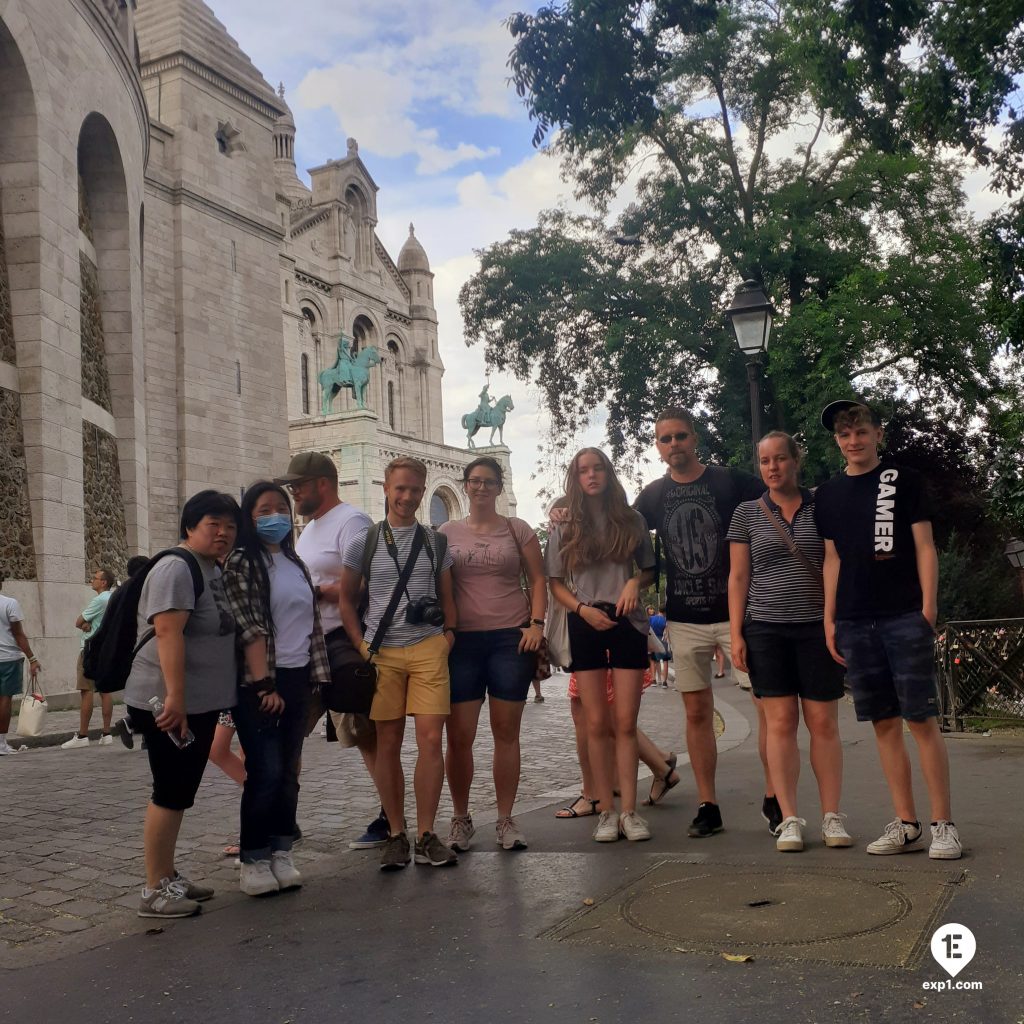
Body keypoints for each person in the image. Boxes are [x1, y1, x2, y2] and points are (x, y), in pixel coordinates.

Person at [815, 400, 961, 859]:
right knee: (883, 722)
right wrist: (829, 616)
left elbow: (924, 545)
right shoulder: (829, 494)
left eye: (860, 432)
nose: (853, 441)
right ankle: (907, 822)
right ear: (837, 441)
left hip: (903, 614)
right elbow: (832, 558)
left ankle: (944, 825)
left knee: (920, 718)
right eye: (844, 434)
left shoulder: (904, 480)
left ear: (878, 433)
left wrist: (928, 606)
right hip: (855, 618)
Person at [634, 407, 774, 838]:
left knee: (767, 707)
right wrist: (564, 513)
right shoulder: (654, 496)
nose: (673, 445)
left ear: (694, 439)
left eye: (680, 436)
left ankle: (776, 795)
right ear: (658, 448)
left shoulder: (729, 481)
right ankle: (708, 804)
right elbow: (618, 528)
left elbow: (780, 495)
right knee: (696, 713)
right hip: (685, 618)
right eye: (665, 439)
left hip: (739, 614)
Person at [728, 431, 853, 853]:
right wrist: (735, 633)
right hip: (766, 628)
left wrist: (834, 619)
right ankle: (790, 818)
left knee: (823, 724)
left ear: (795, 460)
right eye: (765, 461)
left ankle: (832, 815)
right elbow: (739, 577)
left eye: (781, 458)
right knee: (780, 724)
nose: (773, 467)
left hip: (817, 628)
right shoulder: (746, 513)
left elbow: (836, 559)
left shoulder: (823, 506)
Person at [124, 490, 240, 918]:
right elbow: (169, 633)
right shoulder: (177, 567)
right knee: (170, 791)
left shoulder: (211, 567)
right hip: (171, 703)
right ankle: (154, 889)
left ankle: (167, 875)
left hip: (197, 702)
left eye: (230, 526)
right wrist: (175, 699)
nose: (224, 532)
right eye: (214, 524)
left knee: (181, 789)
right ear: (190, 526)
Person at [339, 456, 458, 871]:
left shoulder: (435, 541)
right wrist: (360, 643)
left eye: (414, 489)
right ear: (386, 489)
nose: (406, 496)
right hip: (382, 653)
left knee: (429, 742)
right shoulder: (364, 542)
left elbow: (447, 597)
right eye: (399, 488)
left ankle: (426, 834)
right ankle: (395, 833)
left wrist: (448, 637)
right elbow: (346, 599)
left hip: (427, 648)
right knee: (387, 744)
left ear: (424, 491)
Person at [222, 481, 331, 896]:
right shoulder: (242, 562)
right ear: (250, 517)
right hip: (259, 681)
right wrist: (265, 684)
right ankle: (253, 856)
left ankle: (282, 851)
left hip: (298, 675)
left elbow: (310, 623)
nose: (275, 517)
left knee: (288, 773)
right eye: (264, 509)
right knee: (264, 772)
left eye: (280, 508)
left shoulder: (294, 561)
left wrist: (312, 680)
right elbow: (247, 624)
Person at [546, 448, 657, 843]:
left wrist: (632, 583)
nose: (591, 476)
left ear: (608, 474)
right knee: (595, 722)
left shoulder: (632, 520)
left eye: (597, 469)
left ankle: (629, 810)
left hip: (627, 621)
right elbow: (555, 582)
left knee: (624, 723)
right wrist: (581, 610)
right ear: (574, 478)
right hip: (585, 619)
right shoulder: (565, 523)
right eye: (582, 471)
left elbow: (648, 569)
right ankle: (605, 811)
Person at [278, 451, 386, 850]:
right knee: (287, 734)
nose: (293, 492)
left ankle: (391, 817)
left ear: (323, 483)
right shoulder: (309, 528)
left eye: (298, 485)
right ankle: (281, 820)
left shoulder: (352, 521)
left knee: (365, 735)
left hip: (341, 645)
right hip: (307, 645)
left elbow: (368, 581)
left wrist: (316, 592)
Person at [439, 457, 546, 852]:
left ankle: (505, 819)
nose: (480, 488)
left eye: (488, 482)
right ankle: (461, 818)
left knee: (506, 732)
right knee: (460, 735)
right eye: (474, 481)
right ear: (464, 487)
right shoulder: (446, 532)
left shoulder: (518, 530)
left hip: (509, 638)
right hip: (462, 640)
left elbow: (538, 579)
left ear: (500, 488)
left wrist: (537, 624)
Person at [62, 568, 116, 749]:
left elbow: (79, 621)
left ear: (104, 583)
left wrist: (86, 624)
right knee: (105, 690)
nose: (92, 580)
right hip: (106, 649)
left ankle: (83, 735)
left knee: (86, 691)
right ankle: (107, 733)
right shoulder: (114, 599)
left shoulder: (99, 600)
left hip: (91, 648)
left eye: (95, 578)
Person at [0, 572, 41, 755]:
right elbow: (18, 634)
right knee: (5, 699)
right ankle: (0, 743)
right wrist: (32, 658)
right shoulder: (10, 603)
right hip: (8, 658)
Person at [647, 605, 670, 686]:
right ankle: (664, 682)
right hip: (663, 640)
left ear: (659, 610)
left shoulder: (651, 618)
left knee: (653, 660)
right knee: (665, 660)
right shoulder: (666, 620)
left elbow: (648, 629)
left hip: (654, 640)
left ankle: (654, 680)